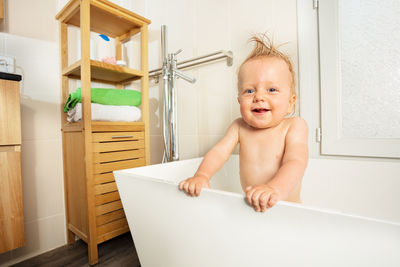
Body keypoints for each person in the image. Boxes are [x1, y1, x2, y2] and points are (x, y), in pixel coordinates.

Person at [178, 34, 308, 212]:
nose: (259, 97)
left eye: (272, 89)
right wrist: (202, 175)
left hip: (287, 210)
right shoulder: (239, 127)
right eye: (249, 90)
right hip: (252, 208)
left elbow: (296, 162)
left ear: (291, 102)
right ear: (239, 100)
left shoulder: (294, 126)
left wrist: (274, 189)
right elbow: (218, 153)